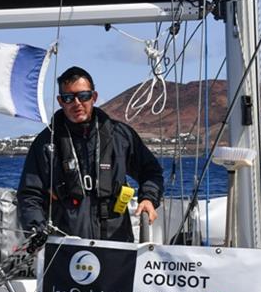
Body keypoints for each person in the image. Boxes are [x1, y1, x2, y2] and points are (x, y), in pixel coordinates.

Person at [17, 66, 163, 242]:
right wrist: (37, 229)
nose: (77, 103)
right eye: (68, 98)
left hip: (116, 242)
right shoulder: (46, 143)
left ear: (93, 97)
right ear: (60, 101)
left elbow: (151, 171)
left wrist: (148, 198)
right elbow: (29, 195)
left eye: (83, 96)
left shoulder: (120, 136)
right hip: (65, 246)